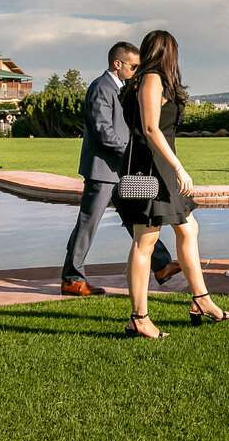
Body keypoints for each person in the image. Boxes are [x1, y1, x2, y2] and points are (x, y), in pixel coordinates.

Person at [116, 30, 229, 339]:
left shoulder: (143, 79)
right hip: (150, 169)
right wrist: (179, 167)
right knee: (145, 242)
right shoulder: (152, 78)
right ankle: (139, 319)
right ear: (169, 53)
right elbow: (152, 129)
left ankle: (201, 299)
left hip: (157, 167)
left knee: (188, 229)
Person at [61, 41, 178, 297]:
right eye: (134, 66)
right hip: (103, 170)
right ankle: (71, 279)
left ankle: (161, 265)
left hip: (119, 169)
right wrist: (133, 152)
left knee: (136, 219)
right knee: (88, 224)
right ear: (118, 64)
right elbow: (104, 131)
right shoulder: (100, 87)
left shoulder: (120, 88)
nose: (137, 71)